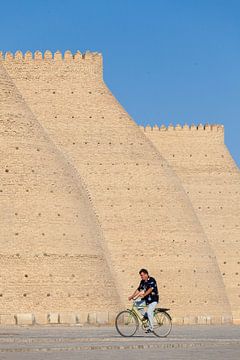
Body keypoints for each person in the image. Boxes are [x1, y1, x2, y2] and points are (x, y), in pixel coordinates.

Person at [128, 268, 159, 333]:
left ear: (146, 274)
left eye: (142, 275)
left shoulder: (151, 280)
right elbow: (138, 290)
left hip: (153, 299)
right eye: (140, 275)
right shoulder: (142, 282)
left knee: (150, 311)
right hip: (146, 299)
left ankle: (151, 328)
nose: (141, 277)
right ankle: (146, 316)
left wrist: (144, 294)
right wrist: (132, 296)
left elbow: (151, 289)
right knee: (137, 305)